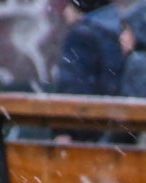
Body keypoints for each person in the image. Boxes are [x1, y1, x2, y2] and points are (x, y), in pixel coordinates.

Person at [53, 0, 124, 142]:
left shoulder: (80, 36)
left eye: (70, 5)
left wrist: (63, 130)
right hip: (111, 129)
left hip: (83, 131)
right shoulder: (118, 32)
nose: (65, 11)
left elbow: (72, 85)